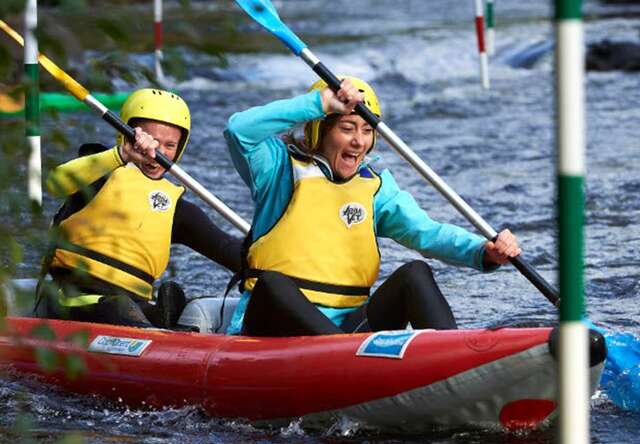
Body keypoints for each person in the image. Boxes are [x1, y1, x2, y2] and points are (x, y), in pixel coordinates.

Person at [224, 77, 521, 336]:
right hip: (272, 325)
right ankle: (340, 356)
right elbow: (239, 130)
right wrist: (319, 103)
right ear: (319, 130)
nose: (358, 141)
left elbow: (427, 233)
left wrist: (483, 251)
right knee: (273, 284)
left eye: (367, 130)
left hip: (347, 327)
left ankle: (455, 363)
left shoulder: (375, 187)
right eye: (347, 127)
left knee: (415, 274)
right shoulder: (277, 168)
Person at [37, 88, 242, 328]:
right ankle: (154, 331)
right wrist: (122, 154)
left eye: (170, 145)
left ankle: (163, 327)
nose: (158, 152)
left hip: (132, 306)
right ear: (126, 134)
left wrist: (277, 266)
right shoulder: (100, 170)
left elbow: (227, 248)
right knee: (119, 308)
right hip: (70, 298)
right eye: (151, 140)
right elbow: (55, 183)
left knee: (165, 308)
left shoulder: (176, 206)